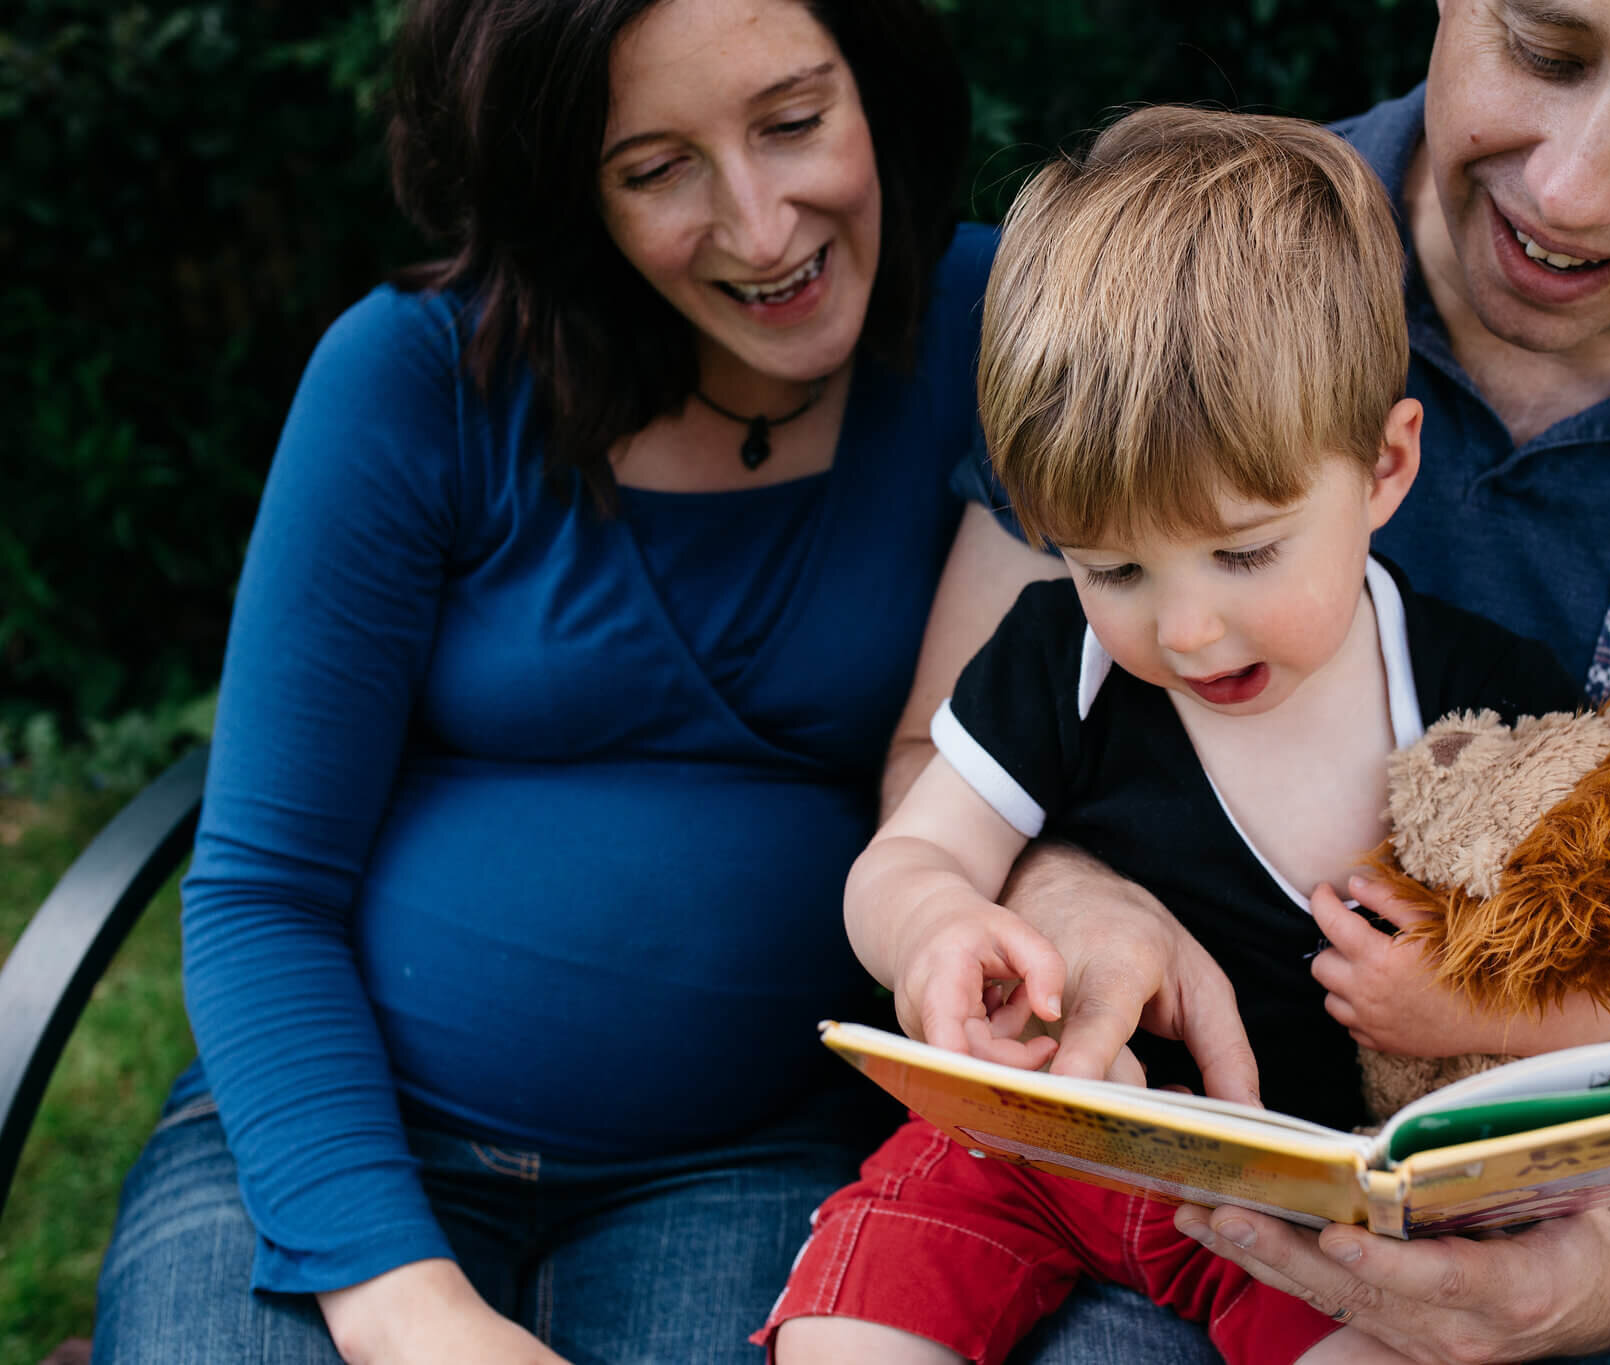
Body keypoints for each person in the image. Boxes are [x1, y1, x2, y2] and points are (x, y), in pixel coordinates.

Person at [904, 0, 1610, 1360]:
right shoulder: (1172, 273)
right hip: (1170, 1164)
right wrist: (1065, 896)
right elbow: (950, 751)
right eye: (1545, 55)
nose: (1566, 186)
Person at [87, 2, 1215, 1362]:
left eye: (795, 122)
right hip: (342, 1128)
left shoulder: (999, 336)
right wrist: (405, 1307)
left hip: (737, 1168)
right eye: (655, 168)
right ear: (574, 193)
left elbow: (1016, 747)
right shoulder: (419, 377)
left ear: (877, 86)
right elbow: (261, 888)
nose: (758, 225)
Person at [762, 105, 1610, 1365]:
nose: (1187, 630)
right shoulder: (1060, 659)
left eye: (1244, 550)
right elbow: (908, 858)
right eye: (1117, 566)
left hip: (1308, 1205)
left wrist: (1479, 999)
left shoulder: (1489, 707)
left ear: (1381, 468)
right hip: (1041, 1145)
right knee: (846, 1328)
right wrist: (932, 924)